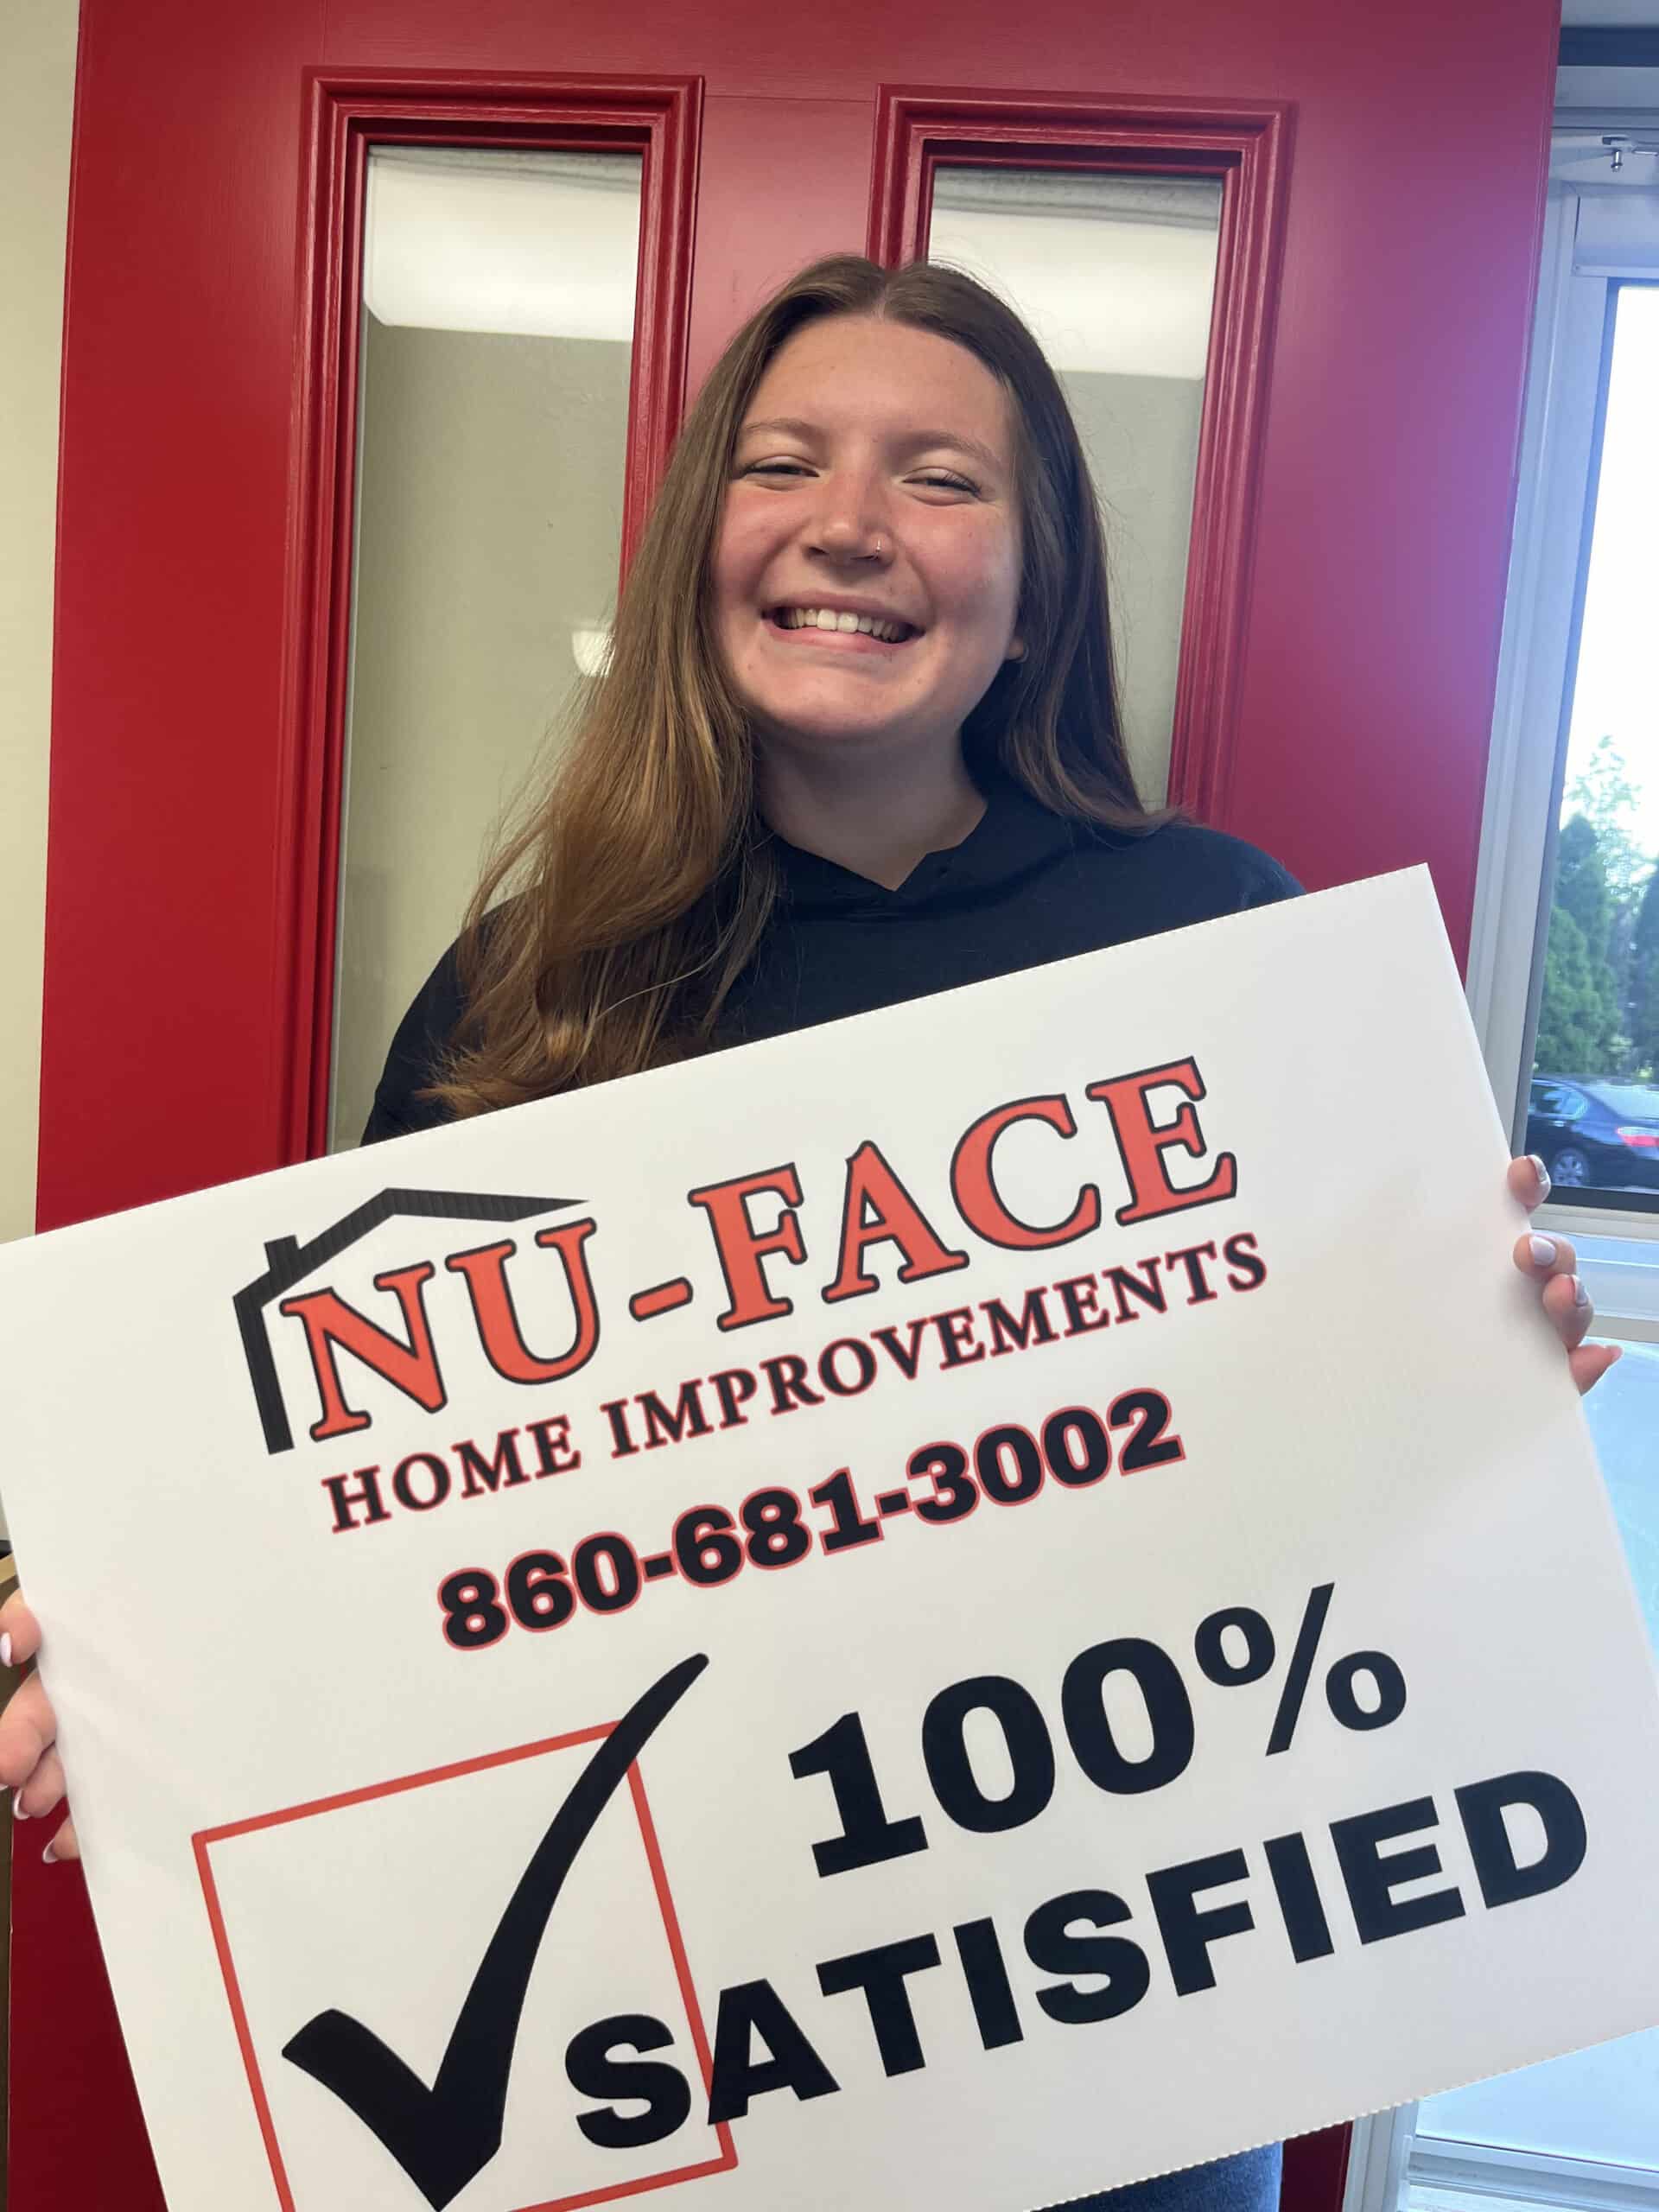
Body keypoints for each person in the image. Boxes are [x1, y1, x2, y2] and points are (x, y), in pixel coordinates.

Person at [0, 255, 1618, 2211]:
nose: (850, 522)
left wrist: (1472, 1387)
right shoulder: (532, 990)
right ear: (705, 548)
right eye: (783, 464)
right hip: (676, 2049)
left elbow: (1327, 1487)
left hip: (1127, 2033)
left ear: (1035, 592)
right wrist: (140, 1671)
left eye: (941, 478)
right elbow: (364, 1530)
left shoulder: (1219, 940)